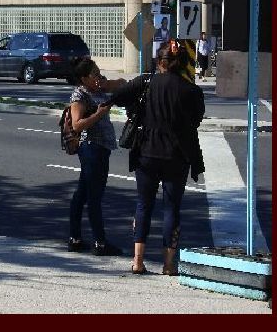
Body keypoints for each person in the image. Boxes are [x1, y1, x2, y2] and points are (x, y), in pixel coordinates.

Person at [108, 41, 205, 275]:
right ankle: (169, 264)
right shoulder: (191, 90)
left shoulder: (146, 82)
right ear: (181, 63)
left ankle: (138, 261)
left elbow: (118, 96)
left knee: (144, 205)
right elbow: (196, 120)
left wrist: (137, 108)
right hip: (177, 155)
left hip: (147, 152)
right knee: (172, 208)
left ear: (159, 61)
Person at [67, 57, 127, 257]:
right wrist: (99, 114)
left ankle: (75, 239)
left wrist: (117, 83)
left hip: (101, 148)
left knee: (82, 193)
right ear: (84, 78)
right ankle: (100, 242)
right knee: (94, 196)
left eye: (99, 72)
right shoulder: (80, 95)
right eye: (94, 74)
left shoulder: (98, 87)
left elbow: (120, 84)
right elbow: (77, 125)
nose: (98, 77)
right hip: (91, 148)